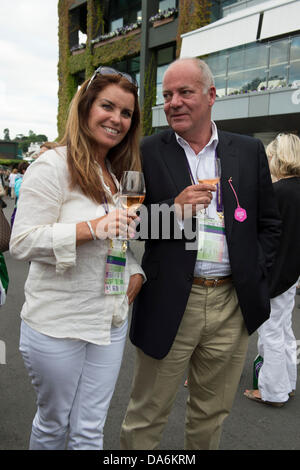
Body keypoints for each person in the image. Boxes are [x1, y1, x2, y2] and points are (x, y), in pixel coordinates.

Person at [120, 58, 281, 450]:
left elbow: (270, 225)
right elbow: (125, 223)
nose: (173, 102)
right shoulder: (141, 152)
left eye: (184, 92)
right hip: (171, 299)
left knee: (211, 415)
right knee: (146, 415)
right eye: (167, 96)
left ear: (211, 96)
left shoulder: (248, 150)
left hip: (231, 304)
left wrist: (254, 274)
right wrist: (173, 212)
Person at [10, 66, 145, 450]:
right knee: (54, 424)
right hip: (59, 323)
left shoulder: (114, 175)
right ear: (85, 107)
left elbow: (114, 239)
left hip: (110, 319)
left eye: (126, 113)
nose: (117, 119)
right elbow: (22, 241)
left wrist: (134, 271)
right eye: (108, 106)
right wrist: (93, 227)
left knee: (89, 429)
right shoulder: (51, 165)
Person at [244, 133, 300, 406]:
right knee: (284, 330)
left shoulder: (278, 193)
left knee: (271, 334)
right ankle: (287, 383)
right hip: (291, 275)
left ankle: (272, 391)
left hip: (275, 274)